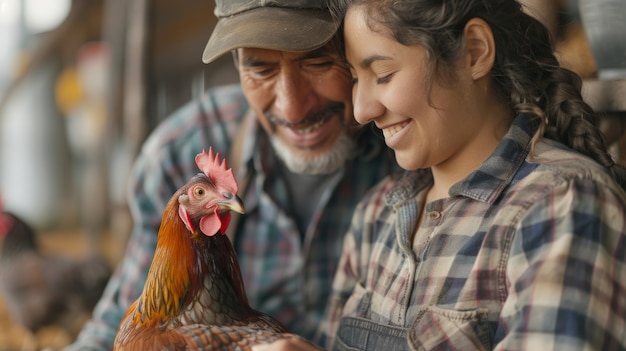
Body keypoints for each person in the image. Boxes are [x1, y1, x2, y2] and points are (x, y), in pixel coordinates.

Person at [258, 0, 626, 350]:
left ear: (475, 52)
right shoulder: (374, 217)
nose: (361, 110)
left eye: (383, 75)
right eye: (356, 79)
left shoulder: (560, 205)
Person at [65, 0, 399, 350]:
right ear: (238, 65)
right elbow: (119, 322)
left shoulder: (407, 150)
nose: (292, 107)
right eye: (262, 70)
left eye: (318, 62)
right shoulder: (178, 149)